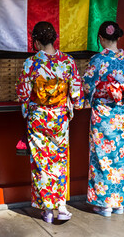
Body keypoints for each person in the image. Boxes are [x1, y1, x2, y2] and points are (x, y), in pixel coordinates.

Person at [15, 21, 84, 223]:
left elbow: (23, 94)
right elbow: (77, 93)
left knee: (42, 163)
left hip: (38, 119)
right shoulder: (68, 61)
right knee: (60, 161)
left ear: (36, 42)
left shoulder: (31, 63)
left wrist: (29, 109)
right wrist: (74, 105)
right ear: (54, 39)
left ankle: (47, 211)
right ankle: (61, 205)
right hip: (60, 119)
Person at [82, 21, 124, 217]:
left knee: (102, 157)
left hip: (103, 115)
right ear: (118, 37)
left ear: (102, 39)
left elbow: (87, 85)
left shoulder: (97, 60)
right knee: (119, 157)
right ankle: (118, 202)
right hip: (121, 114)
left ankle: (104, 205)